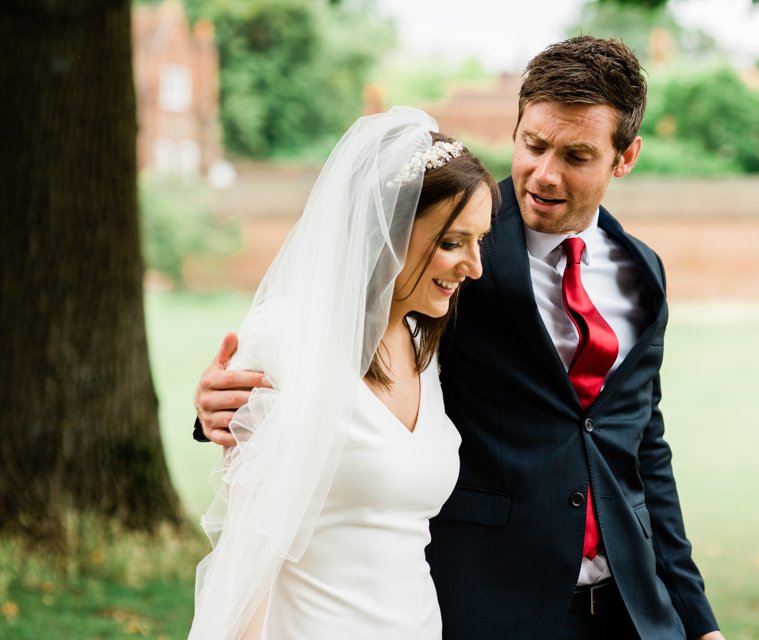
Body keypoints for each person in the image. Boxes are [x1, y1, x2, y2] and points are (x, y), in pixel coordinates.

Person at [195, 37, 725, 639]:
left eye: (577, 156)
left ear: (624, 157)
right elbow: (337, 327)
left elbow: (642, 445)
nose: (544, 175)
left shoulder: (642, 271)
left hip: (632, 610)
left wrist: (695, 617)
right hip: (490, 601)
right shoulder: (445, 249)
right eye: (534, 144)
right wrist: (226, 406)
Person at [188, 106, 498, 639]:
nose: (475, 266)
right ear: (392, 230)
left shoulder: (422, 343)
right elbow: (249, 551)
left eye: (480, 240)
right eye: (451, 243)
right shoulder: (287, 338)